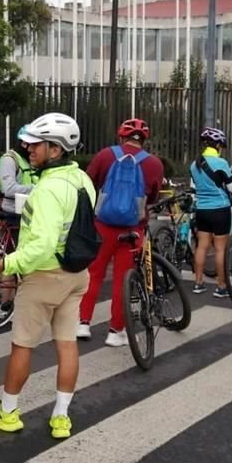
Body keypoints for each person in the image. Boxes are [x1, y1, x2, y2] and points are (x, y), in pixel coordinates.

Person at [0, 113, 94, 440]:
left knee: (22, 347)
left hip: (44, 277)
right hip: (76, 273)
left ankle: (8, 412)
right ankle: (60, 417)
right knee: (67, 345)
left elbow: (41, 246)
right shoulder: (82, 179)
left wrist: (7, 264)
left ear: (54, 150)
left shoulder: (47, 189)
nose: (29, 148)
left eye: (36, 144)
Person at [77, 117, 164, 345]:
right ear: (143, 140)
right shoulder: (154, 163)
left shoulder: (105, 155)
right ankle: (116, 332)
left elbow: (87, 183)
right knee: (122, 280)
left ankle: (82, 323)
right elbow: (153, 195)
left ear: (121, 136)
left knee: (94, 273)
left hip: (103, 226)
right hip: (133, 230)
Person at [189, 127, 232, 297]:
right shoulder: (221, 163)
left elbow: (194, 188)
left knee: (202, 246)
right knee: (220, 248)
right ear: (218, 145)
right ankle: (221, 286)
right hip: (220, 209)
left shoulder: (194, 164)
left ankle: (198, 283)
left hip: (202, 210)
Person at [0, 126, 38, 240]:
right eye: (32, 145)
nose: (33, 149)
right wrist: (36, 188)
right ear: (23, 143)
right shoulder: (9, 160)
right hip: (13, 212)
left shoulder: (28, 160)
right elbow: (9, 189)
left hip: (28, 210)